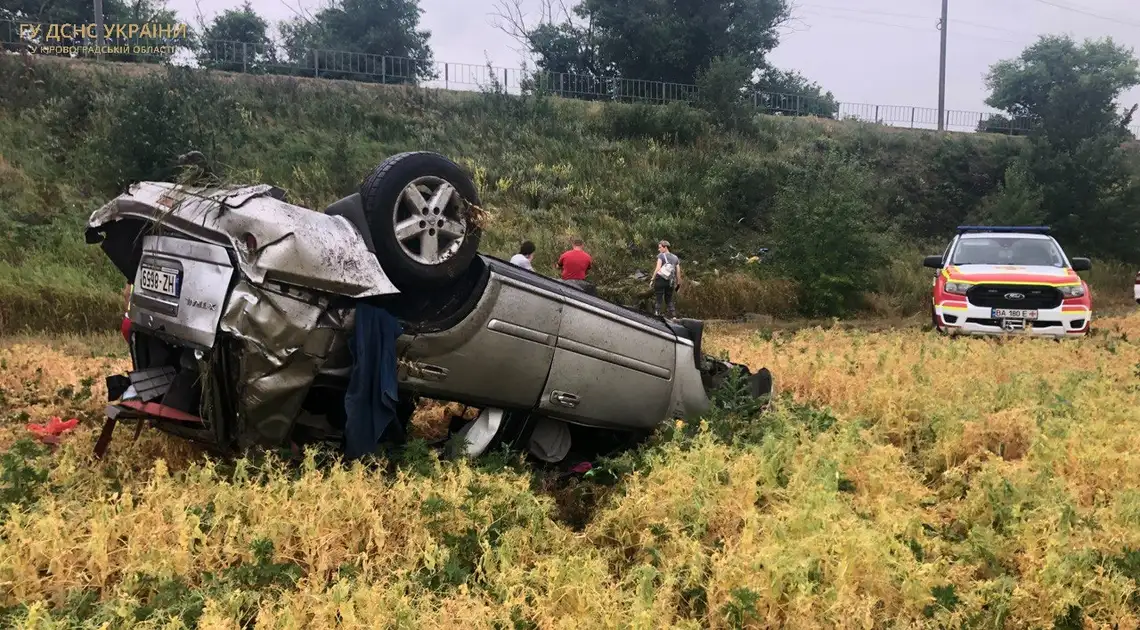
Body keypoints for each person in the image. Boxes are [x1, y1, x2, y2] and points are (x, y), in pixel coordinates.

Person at [650, 240, 682, 318]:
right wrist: (678, 284)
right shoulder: (675, 258)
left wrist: (652, 279)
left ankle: (656, 315)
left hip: (660, 280)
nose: (659, 249)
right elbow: (678, 272)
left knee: (659, 299)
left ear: (665, 247)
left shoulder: (661, 256)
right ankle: (674, 316)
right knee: (669, 300)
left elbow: (658, 268)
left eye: (660, 247)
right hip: (670, 282)